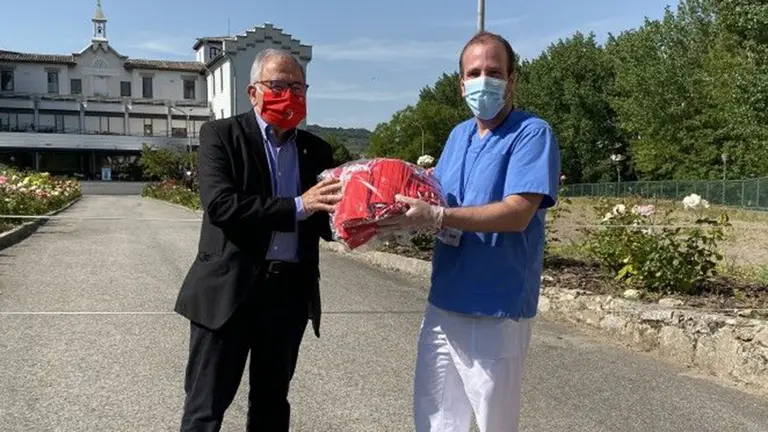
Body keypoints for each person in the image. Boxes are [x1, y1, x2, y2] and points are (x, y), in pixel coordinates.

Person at [392, 32, 561, 432]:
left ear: (512, 80)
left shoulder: (531, 134)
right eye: (475, 72)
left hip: (494, 304)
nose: (484, 80)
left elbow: (518, 212)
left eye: (495, 71)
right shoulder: (458, 136)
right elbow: (438, 193)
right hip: (444, 298)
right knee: (435, 415)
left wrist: (437, 216)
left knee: (492, 420)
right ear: (461, 83)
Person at [174, 48, 342, 431]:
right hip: (229, 293)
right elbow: (221, 205)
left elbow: (326, 213)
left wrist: (366, 215)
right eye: (278, 84)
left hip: (287, 297)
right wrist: (299, 205)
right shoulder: (221, 135)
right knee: (205, 408)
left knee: (271, 406)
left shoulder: (316, 150)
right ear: (253, 92)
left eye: (298, 87)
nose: (290, 94)